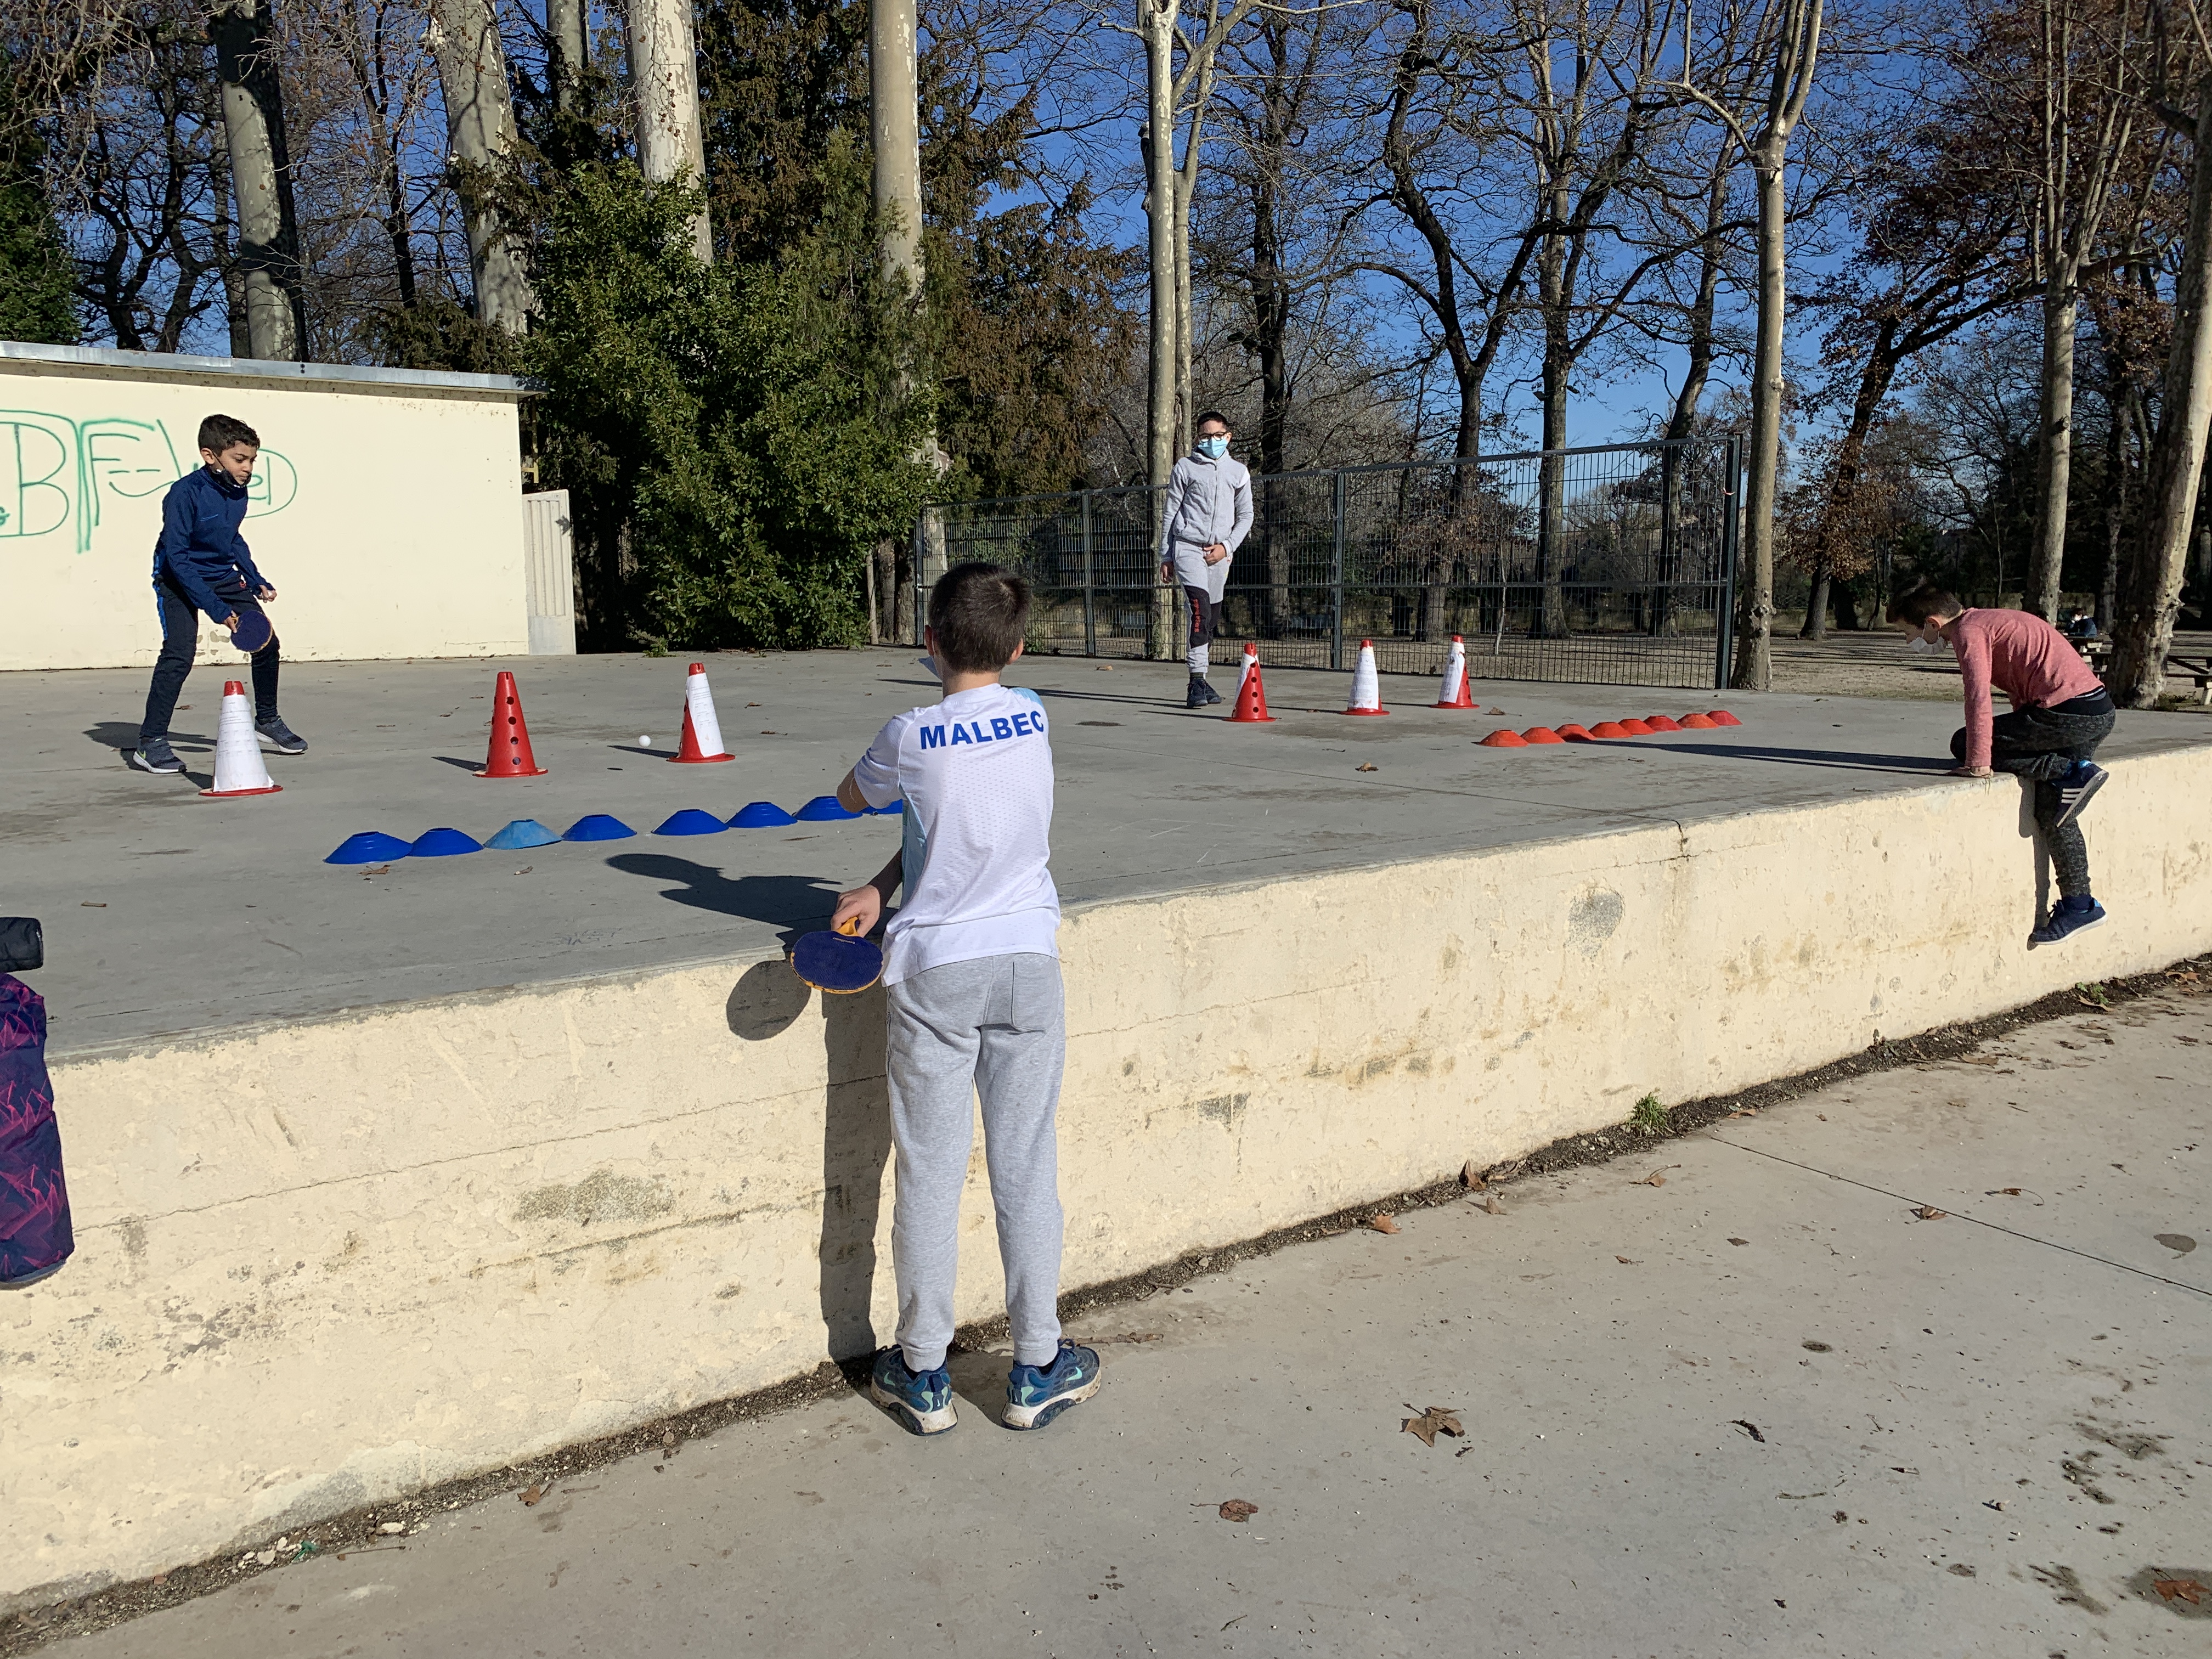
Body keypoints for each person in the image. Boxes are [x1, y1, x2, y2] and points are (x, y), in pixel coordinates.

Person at [830, 560, 1100, 1435]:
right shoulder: (1036, 714)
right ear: (1018, 649)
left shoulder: (909, 734)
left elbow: (857, 797)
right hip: (1027, 963)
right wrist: (884, 884)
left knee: (930, 1175)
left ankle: (922, 1373)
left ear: (929, 641)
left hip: (935, 972)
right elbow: (964, 828)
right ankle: (1037, 1367)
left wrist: (880, 883)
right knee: (1026, 1168)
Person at [1888, 584, 2114, 944]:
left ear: (1932, 624)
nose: (1908, 642)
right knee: (2054, 812)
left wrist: (1978, 761)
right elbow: (2020, 680)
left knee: (1962, 743)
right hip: (2094, 710)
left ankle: (2069, 771)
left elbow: (1978, 697)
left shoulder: (1969, 632)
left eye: (1908, 633)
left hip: (2065, 714)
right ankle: (2081, 905)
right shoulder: (1991, 621)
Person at [129, 413, 307, 775]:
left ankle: (267, 721)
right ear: (210, 456)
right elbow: (178, 558)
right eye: (240, 459)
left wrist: (254, 578)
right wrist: (217, 609)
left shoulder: (237, 490)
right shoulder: (184, 494)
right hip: (177, 579)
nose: (248, 468)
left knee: (267, 644)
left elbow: (231, 536)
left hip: (223, 576)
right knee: (179, 654)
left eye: (252, 459)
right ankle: (150, 741)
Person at [1157, 411, 1252, 709]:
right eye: (1205, 436)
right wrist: (1166, 555)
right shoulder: (1185, 467)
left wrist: (1227, 547)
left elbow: (1246, 516)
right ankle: (1196, 679)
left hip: (1220, 554)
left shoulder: (1239, 472)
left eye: (1217, 435)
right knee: (1198, 609)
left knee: (1211, 616)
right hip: (1188, 548)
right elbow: (1171, 512)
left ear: (1228, 436)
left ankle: (1204, 678)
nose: (1211, 441)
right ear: (1198, 438)